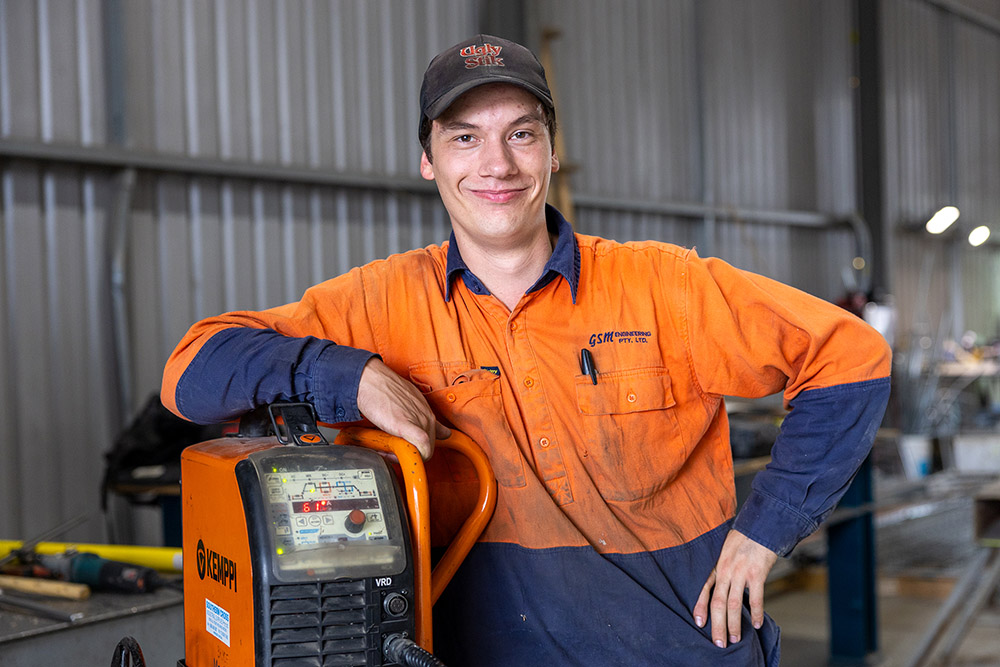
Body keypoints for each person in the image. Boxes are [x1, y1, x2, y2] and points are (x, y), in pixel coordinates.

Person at [162, 34, 891, 666]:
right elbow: (191, 372)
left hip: (680, 646)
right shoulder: (376, 306)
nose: (497, 164)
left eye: (521, 133)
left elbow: (852, 356)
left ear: (550, 149)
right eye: (465, 137)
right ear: (428, 160)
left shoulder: (663, 285)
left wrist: (763, 534)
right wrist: (350, 375)